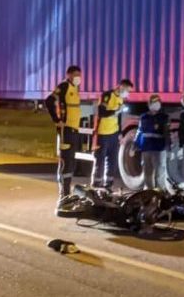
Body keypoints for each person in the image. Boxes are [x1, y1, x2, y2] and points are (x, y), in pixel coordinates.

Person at [45, 65, 83, 204]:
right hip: (66, 130)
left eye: (79, 75)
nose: (78, 77)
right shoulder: (64, 86)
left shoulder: (75, 88)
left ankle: (67, 192)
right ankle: (64, 195)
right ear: (69, 75)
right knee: (66, 162)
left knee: (71, 162)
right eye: (75, 75)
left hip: (74, 130)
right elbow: (49, 101)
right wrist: (57, 120)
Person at [91, 79, 134, 189]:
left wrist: (120, 133)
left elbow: (119, 118)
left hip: (114, 133)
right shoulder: (107, 95)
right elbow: (101, 112)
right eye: (127, 90)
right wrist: (115, 111)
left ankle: (108, 185)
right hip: (103, 132)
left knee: (112, 160)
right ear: (121, 87)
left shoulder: (120, 99)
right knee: (100, 160)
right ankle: (96, 185)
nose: (127, 93)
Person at [135, 94, 170, 190]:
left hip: (158, 149)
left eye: (158, 102)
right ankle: (149, 193)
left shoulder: (164, 117)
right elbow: (139, 131)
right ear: (149, 104)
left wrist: (168, 147)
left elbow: (167, 133)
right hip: (146, 148)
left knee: (159, 173)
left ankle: (160, 193)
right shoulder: (144, 117)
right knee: (147, 172)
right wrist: (135, 144)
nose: (156, 104)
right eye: (154, 102)